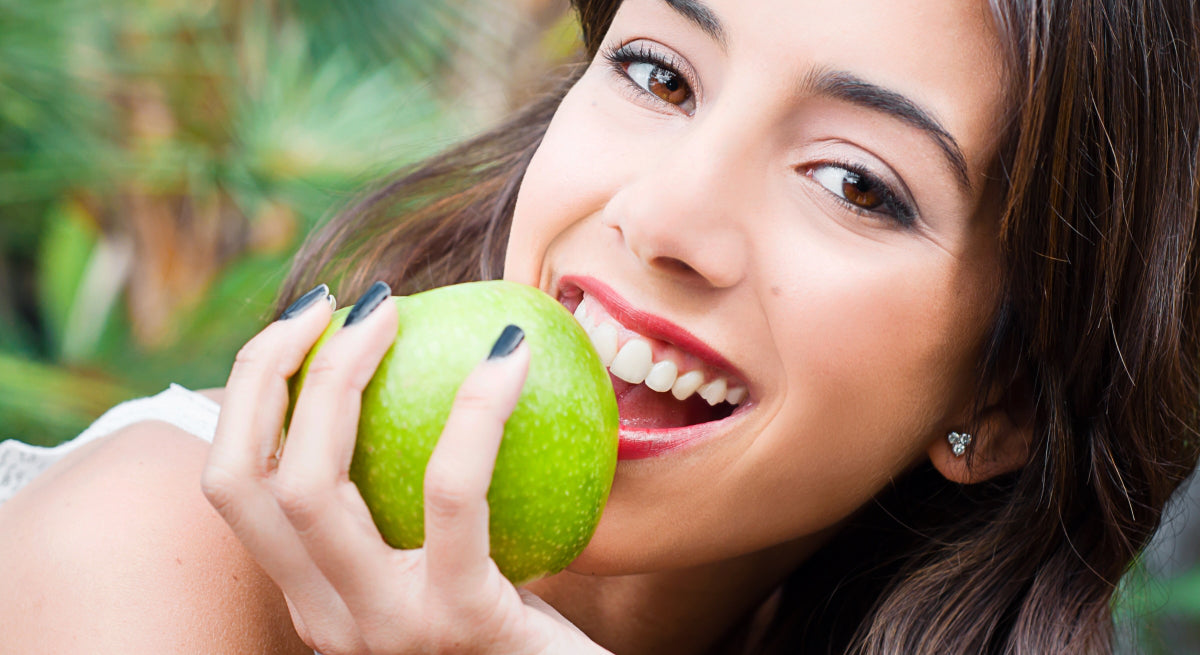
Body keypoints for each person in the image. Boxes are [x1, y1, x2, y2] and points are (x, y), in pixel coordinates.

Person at [1, 0, 1197, 652]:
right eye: (659, 74)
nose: (664, 214)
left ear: (1006, 401)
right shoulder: (149, 550)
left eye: (853, 183)